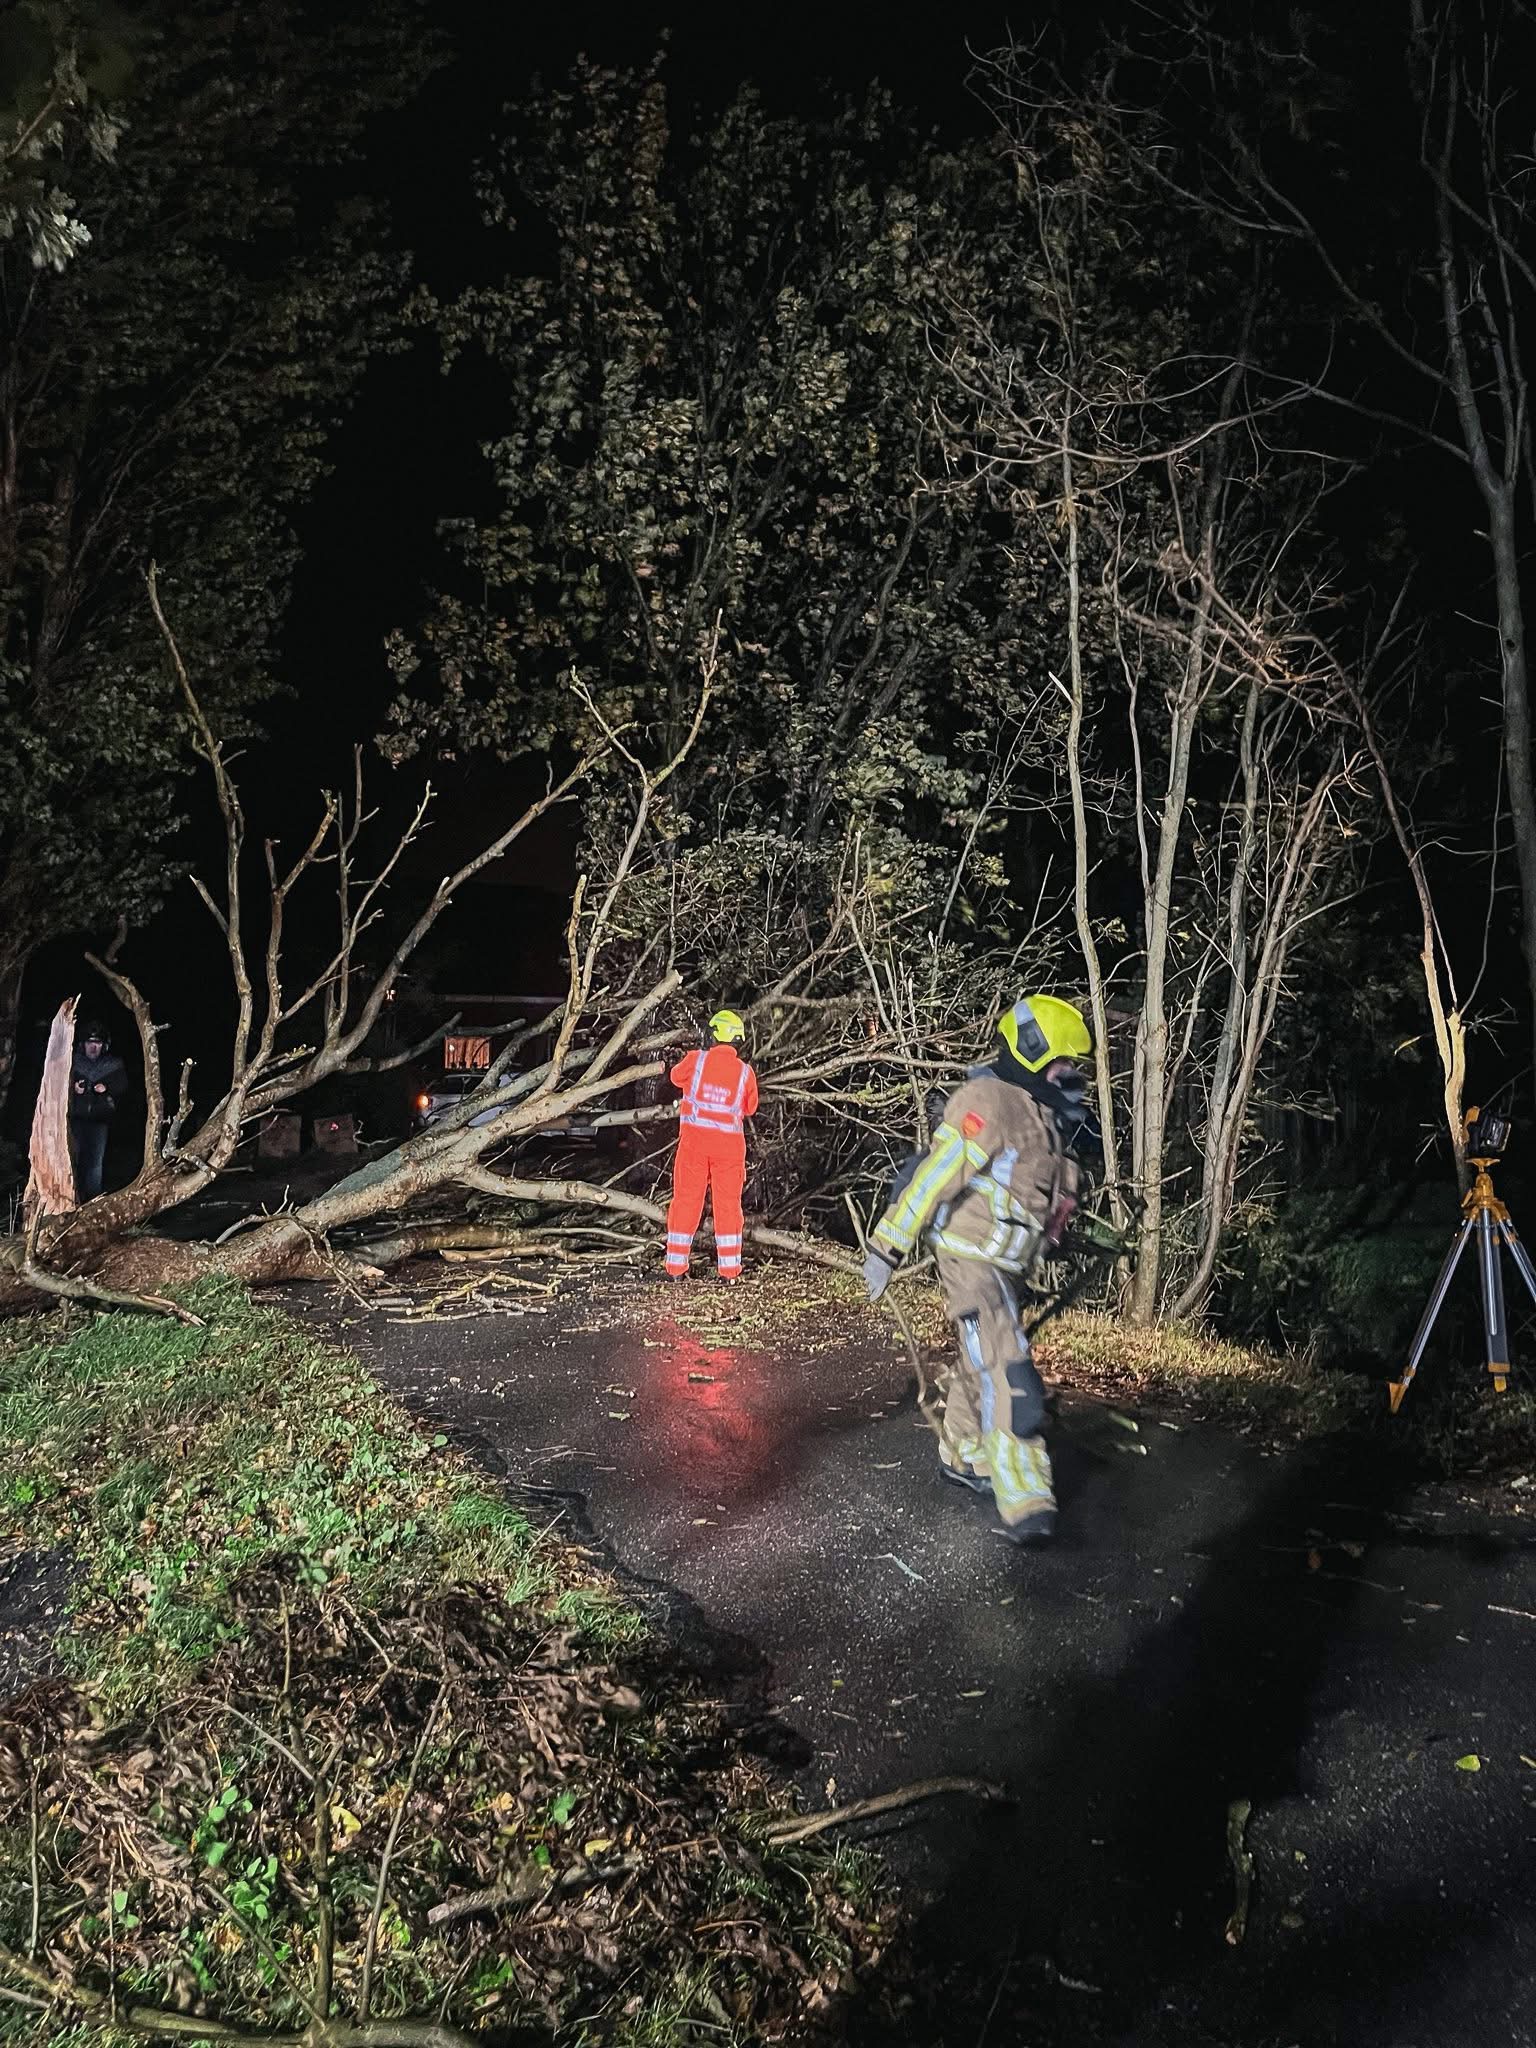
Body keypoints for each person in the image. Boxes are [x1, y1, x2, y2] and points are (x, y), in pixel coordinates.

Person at [863, 994, 1093, 1547]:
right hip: (971, 1259)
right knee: (1006, 1367)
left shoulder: (1047, 1123)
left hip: (1005, 1268)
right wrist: (888, 1243)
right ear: (1034, 1052)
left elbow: (1048, 1201)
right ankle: (1026, 1497)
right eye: (1062, 1063)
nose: (1068, 1075)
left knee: (978, 1360)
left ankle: (966, 1453)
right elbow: (936, 1173)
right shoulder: (991, 1099)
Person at [664, 1008, 759, 1282]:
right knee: (728, 1206)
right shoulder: (745, 1073)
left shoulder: (696, 1060)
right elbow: (750, 1107)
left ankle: (676, 1269)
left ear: (713, 1035)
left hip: (694, 1145)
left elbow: (674, 1077)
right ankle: (730, 1272)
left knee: (685, 1202)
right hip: (729, 1150)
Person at [69, 1018, 127, 1200]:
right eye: (90, 1043)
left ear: (104, 1045)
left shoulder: (112, 1065)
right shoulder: (72, 1063)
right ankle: (71, 1198)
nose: (93, 1047)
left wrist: (107, 1088)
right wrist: (72, 1087)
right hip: (75, 1119)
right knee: (73, 1159)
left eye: (98, 1043)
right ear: (83, 1044)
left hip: (99, 1120)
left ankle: (92, 1201)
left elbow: (123, 1086)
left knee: (95, 1163)